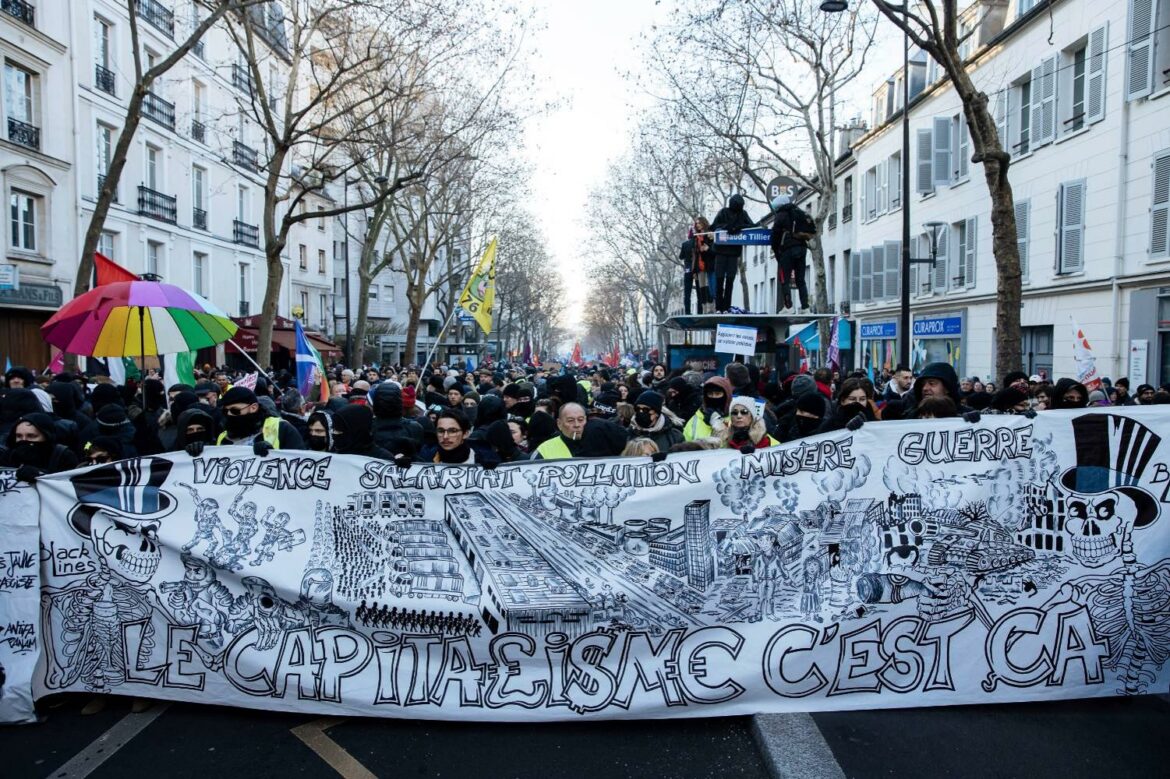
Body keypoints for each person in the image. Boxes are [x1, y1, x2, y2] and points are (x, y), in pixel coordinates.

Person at [193, 386, 303, 455]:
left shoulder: (281, 428)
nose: (229, 415)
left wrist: (274, 454)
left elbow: (300, 461)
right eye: (226, 411)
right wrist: (198, 451)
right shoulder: (223, 437)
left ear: (253, 408)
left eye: (235, 411)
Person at [768, 194, 815, 312]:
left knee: (785, 279)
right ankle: (805, 307)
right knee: (801, 279)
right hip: (802, 248)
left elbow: (775, 236)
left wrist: (777, 251)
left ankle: (788, 306)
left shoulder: (780, 215)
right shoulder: (799, 212)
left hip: (787, 249)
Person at [709, 194, 755, 312]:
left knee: (730, 280)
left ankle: (726, 306)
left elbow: (752, 225)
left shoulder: (743, 214)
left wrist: (739, 227)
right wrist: (726, 226)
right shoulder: (723, 212)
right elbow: (713, 226)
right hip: (721, 251)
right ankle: (719, 307)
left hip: (734, 252)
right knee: (720, 280)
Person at [1, 412, 80, 477]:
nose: (24, 440)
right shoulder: (9, 456)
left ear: (46, 436)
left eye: (31, 436)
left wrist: (41, 474)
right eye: (19, 436)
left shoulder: (63, 457)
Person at [419, 409, 500, 465]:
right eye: (441, 431)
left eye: (452, 431)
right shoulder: (425, 458)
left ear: (466, 434)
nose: (445, 436)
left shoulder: (484, 459)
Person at [330, 404, 395, 460]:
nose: (334, 433)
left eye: (339, 430)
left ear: (356, 431)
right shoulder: (333, 454)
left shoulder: (382, 458)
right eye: (334, 429)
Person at [683, 376, 734, 441]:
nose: (713, 397)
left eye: (718, 394)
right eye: (710, 394)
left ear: (726, 395)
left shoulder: (736, 418)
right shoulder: (695, 420)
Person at [693, 217, 716, 313]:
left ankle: (712, 308)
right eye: (696, 223)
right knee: (702, 287)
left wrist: (707, 248)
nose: (697, 225)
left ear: (703, 223)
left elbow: (714, 250)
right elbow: (694, 254)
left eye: (699, 223)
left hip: (709, 264)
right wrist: (694, 270)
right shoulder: (696, 237)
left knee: (710, 287)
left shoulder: (710, 234)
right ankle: (705, 309)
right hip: (700, 265)